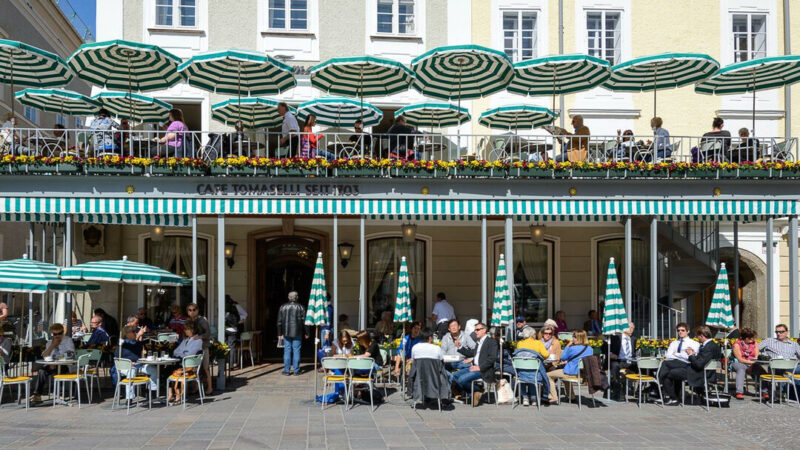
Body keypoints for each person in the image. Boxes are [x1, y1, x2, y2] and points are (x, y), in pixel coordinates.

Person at [453, 322, 498, 407]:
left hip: (484, 370)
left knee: (462, 379)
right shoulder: (478, 342)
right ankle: (475, 392)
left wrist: (479, 367)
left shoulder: (492, 342)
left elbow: (492, 358)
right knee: (454, 375)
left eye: (477, 330)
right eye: (475, 330)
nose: (475, 332)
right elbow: (472, 353)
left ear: (484, 330)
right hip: (474, 367)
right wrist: (460, 347)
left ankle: (477, 391)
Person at [31, 323, 75, 403]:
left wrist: (60, 359)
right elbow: (44, 355)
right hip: (51, 364)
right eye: (55, 334)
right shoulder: (49, 342)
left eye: (59, 333)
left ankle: (60, 393)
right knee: (42, 371)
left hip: (64, 364)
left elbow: (71, 353)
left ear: (63, 332)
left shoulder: (68, 340)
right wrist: (53, 345)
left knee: (61, 371)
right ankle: (37, 395)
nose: (57, 336)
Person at [546, 329, 593, 404]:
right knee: (564, 376)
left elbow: (563, 357)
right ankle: (572, 397)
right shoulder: (590, 349)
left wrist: (567, 346)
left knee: (548, 375)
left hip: (571, 372)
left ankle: (553, 397)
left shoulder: (572, 348)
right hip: (583, 374)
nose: (572, 338)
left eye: (573, 337)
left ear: (578, 338)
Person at [658, 323, 700, 405]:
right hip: (674, 364)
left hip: (687, 365)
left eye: (683, 330)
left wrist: (676, 354)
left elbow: (689, 357)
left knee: (665, 363)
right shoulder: (674, 343)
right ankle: (674, 398)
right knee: (667, 375)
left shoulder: (694, 343)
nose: (680, 332)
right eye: (678, 330)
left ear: (688, 331)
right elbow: (668, 355)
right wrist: (681, 355)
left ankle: (656, 386)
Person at [167, 320, 204, 403]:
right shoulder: (186, 340)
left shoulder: (198, 340)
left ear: (193, 330)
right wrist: (183, 353)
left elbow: (190, 354)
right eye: (185, 329)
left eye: (187, 329)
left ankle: (177, 394)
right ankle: (171, 393)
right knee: (167, 369)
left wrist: (182, 354)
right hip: (182, 362)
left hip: (190, 367)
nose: (185, 331)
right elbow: (176, 351)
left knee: (173, 369)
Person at [514, 326, 551, 406]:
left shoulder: (520, 344)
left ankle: (525, 398)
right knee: (533, 373)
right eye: (535, 334)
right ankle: (534, 398)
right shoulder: (538, 343)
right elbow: (546, 355)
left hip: (521, 374)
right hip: (535, 374)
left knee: (524, 373)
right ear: (532, 335)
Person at [684, 325, 722, 399]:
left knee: (675, 372)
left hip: (703, 374)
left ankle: (675, 396)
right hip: (709, 372)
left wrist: (691, 355)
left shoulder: (708, 347)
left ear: (701, 336)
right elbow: (703, 359)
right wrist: (695, 354)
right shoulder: (714, 344)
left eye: (697, 336)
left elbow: (699, 364)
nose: (696, 338)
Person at [604, 322, 637, 401]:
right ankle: (617, 391)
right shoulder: (616, 337)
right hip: (618, 360)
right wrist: (611, 354)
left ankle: (650, 390)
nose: (631, 329)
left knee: (644, 367)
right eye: (630, 327)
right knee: (615, 367)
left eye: (633, 328)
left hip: (629, 361)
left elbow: (634, 352)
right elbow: (605, 348)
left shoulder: (634, 339)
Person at [277, 291, 307, 376]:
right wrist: (307, 332)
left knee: (287, 350)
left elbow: (279, 321)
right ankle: (296, 370)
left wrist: (279, 333)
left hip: (286, 332)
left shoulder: (283, 307)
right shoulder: (301, 307)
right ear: (297, 297)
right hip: (297, 332)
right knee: (296, 350)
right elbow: (304, 321)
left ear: (288, 297)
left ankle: (286, 370)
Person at [186, 303, 213, 394]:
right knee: (195, 368)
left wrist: (200, 337)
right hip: (193, 348)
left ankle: (210, 388)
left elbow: (208, 333)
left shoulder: (202, 320)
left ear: (197, 310)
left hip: (203, 346)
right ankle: (196, 387)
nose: (192, 312)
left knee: (205, 368)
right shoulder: (189, 321)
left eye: (194, 310)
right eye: (190, 310)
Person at [731, 327, 763, 400]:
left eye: (753, 337)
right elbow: (740, 359)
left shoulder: (755, 343)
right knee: (741, 368)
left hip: (751, 361)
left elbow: (756, 356)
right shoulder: (737, 344)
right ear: (745, 338)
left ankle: (765, 391)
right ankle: (739, 392)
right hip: (737, 362)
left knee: (759, 369)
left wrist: (752, 364)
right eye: (751, 338)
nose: (753, 339)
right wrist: (750, 363)